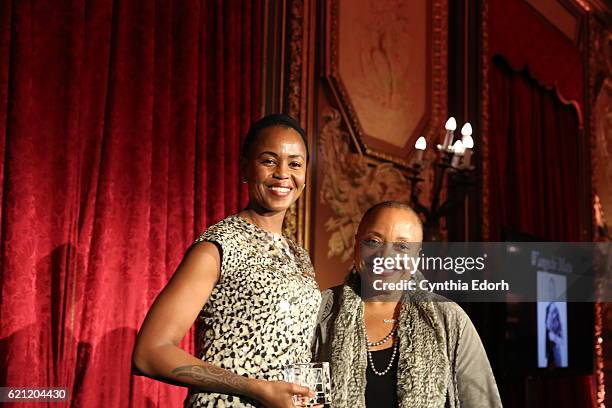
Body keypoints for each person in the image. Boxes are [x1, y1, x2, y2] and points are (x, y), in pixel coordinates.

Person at [132, 114, 321, 408]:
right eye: (269, 161)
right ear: (245, 168)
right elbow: (150, 352)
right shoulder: (218, 246)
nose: (283, 173)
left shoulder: (300, 257)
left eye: (295, 163)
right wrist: (256, 388)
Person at [312, 201, 502, 408]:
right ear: (357, 244)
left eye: (402, 246)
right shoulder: (321, 310)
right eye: (374, 241)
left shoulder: (449, 318)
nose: (385, 256)